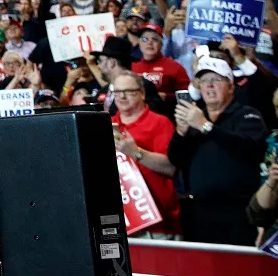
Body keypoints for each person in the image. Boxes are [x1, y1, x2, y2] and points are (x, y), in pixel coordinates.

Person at [168, 54, 268, 245]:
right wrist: (181, 132)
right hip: (198, 211)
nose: (209, 85)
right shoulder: (195, 117)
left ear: (231, 87)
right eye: (204, 81)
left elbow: (248, 149)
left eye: (216, 80)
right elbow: (176, 160)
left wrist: (206, 126)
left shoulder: (247, 115)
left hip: (237, 211)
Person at [110, 72, 180, 237]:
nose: (122, 96)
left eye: (129, 91)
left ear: (142, 93)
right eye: (117, 92)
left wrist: (135, 152)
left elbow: (170, 167)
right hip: (122, 222)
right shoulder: (105, 124)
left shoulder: (160, 123)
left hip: (158, 224)